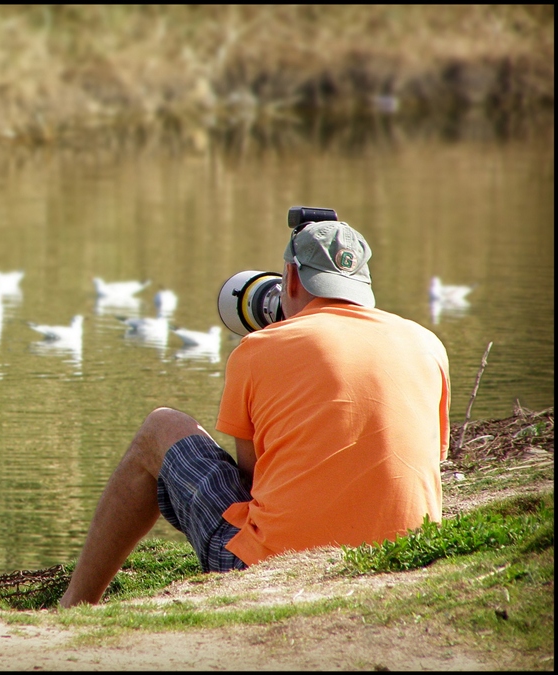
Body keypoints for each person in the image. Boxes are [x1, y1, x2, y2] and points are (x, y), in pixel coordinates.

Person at [59, 219, 451, 608]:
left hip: (275, 570)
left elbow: (252, 480)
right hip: (409, 557)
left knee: (161, 427)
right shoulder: (427, 343)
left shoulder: (260, 348)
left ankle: (75, 605)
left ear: (292, 279)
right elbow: (431, 460)